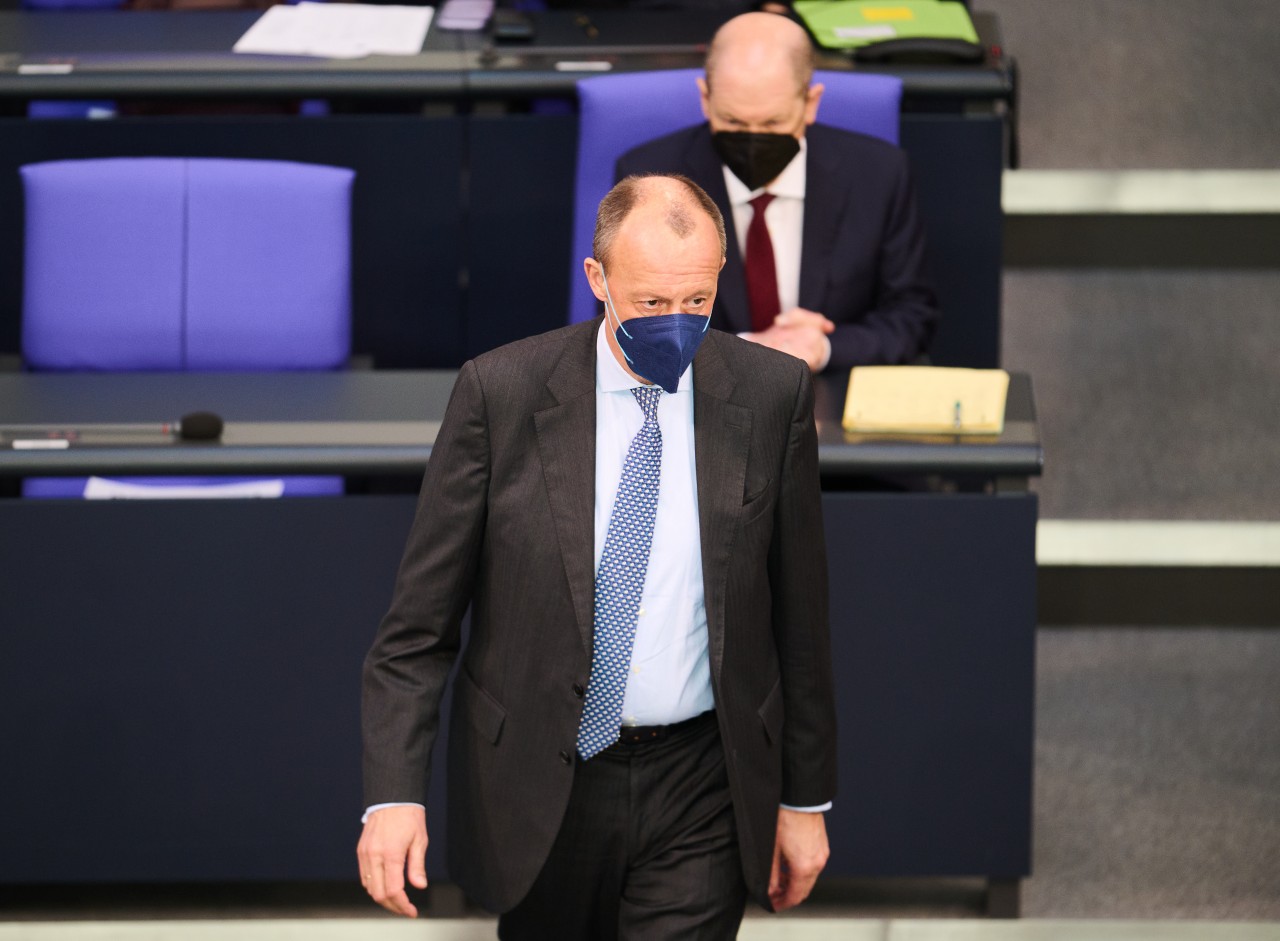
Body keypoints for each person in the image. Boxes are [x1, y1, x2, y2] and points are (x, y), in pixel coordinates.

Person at [358, 173, 836, 939]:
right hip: (545, 776)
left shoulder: (771, 393)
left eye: (698, 301)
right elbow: (417, 629)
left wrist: (805, 801)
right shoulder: (501, 393)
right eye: (651, 302)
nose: (676, 322)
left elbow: (800, 619)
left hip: (703, 778)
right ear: (597, 279)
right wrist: (393, 794)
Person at [617, 12, 939, 374]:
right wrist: (745, 349)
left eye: (773, 123)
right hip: (701, 393)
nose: (753, 140)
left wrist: (825, 347)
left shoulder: (879, 174)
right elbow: (628, 318)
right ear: (705, 99)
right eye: (733, 122)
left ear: (811, 103)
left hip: (828, 399)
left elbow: (911, 315)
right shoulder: (652, 180)